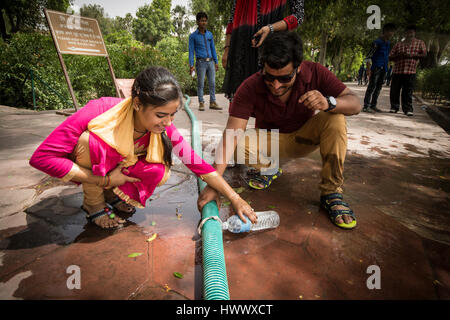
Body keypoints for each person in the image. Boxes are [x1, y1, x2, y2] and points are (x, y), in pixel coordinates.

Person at [29, 67, 256, 229]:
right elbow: (42, 157)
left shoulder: (164, 127)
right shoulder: (101, 111)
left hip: (115, 171)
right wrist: (105, 180)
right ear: (137, 104)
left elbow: (198, 165)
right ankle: (93, 202)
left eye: (173, 115)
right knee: (93, 143)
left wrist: (235, 198)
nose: (168, 123)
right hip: (91, 164)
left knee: (157, 168)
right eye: (160, 115)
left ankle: (111, 194)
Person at [198, 32, 362, 230]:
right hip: (273, 145)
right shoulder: (250, 86)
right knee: (237, 143)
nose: (276, 85)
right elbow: (232, 134)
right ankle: (269, 168)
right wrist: (214, 184)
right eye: (270, 77)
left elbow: (355, 104)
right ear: (263, 68)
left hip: (305, 140)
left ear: (298, 67)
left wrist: (329, 102)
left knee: (335, 117)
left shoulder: (316, 72)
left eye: (285, 78)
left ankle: (331, 192)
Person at [222, 0, 304, 101]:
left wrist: (271, 28)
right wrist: (227, 49)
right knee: (239, 99)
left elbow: (298, 16)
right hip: (241, 50)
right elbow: (232, 18)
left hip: (272, 50)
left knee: (269, 102)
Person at [388, 25, 427, 116]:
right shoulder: (398, 44)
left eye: (411, 32)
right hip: (397, 71)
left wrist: (412, 56)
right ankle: (394, 107)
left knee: (408, 91)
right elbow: (390, 57)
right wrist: (399, 55)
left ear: (414, 33)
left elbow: (424, 55)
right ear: (405, 33)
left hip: (410, 71)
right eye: (408, 32)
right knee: (395, 90)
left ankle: (408, 109)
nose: (410, 34)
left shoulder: (420, 43)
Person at [189, 12, 221, 112]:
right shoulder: (193, 36)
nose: (204, 22)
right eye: (202, 20)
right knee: (201, 84)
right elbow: (191, 51)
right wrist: (191, 65)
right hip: (200, 63)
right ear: (197, 22)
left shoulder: (209, 34)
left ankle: (212, 102)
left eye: (205, 20)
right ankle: (201, 102)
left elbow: (213, 49)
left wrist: (216, 62)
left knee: (212, 83)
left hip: (210, 62)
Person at [362, 23, 396, 113]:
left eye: (393, 32)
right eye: (390, 31)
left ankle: (373, 105)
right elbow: (368, 56)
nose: (392, 34)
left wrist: (387, 67)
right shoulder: (376, 42)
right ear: (385, 31)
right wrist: (368, 69)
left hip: (384, 68)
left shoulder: (388, 43)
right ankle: (366, 106)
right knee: (372, 86)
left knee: (378, 87)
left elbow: (387, 56)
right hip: (376, 67)